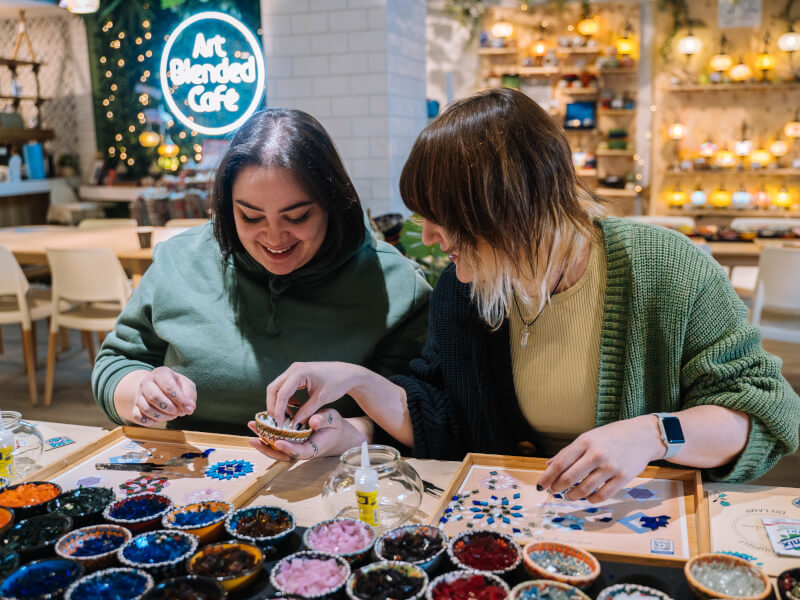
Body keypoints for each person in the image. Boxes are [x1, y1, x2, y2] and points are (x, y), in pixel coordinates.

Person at [261, 88, 800, 500]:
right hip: (517, 519)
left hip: (639, 524)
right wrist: (355, 392)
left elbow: (766, 413)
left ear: (509, 208)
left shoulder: (663, 270)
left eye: (442, 219)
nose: (426, 237)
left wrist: (655, 435)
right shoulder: (466, 288)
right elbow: (443, 415)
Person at [92, 108, 431, 459]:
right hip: (187, 480)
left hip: (331, 483)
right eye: (250, 216)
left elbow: (422, 415)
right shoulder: (180, 260)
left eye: (297, 216)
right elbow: (115, 365)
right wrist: (141, 392)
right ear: (227, 208)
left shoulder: (393, 284)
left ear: (333, 204)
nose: (274, 237)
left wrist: (352, 433)